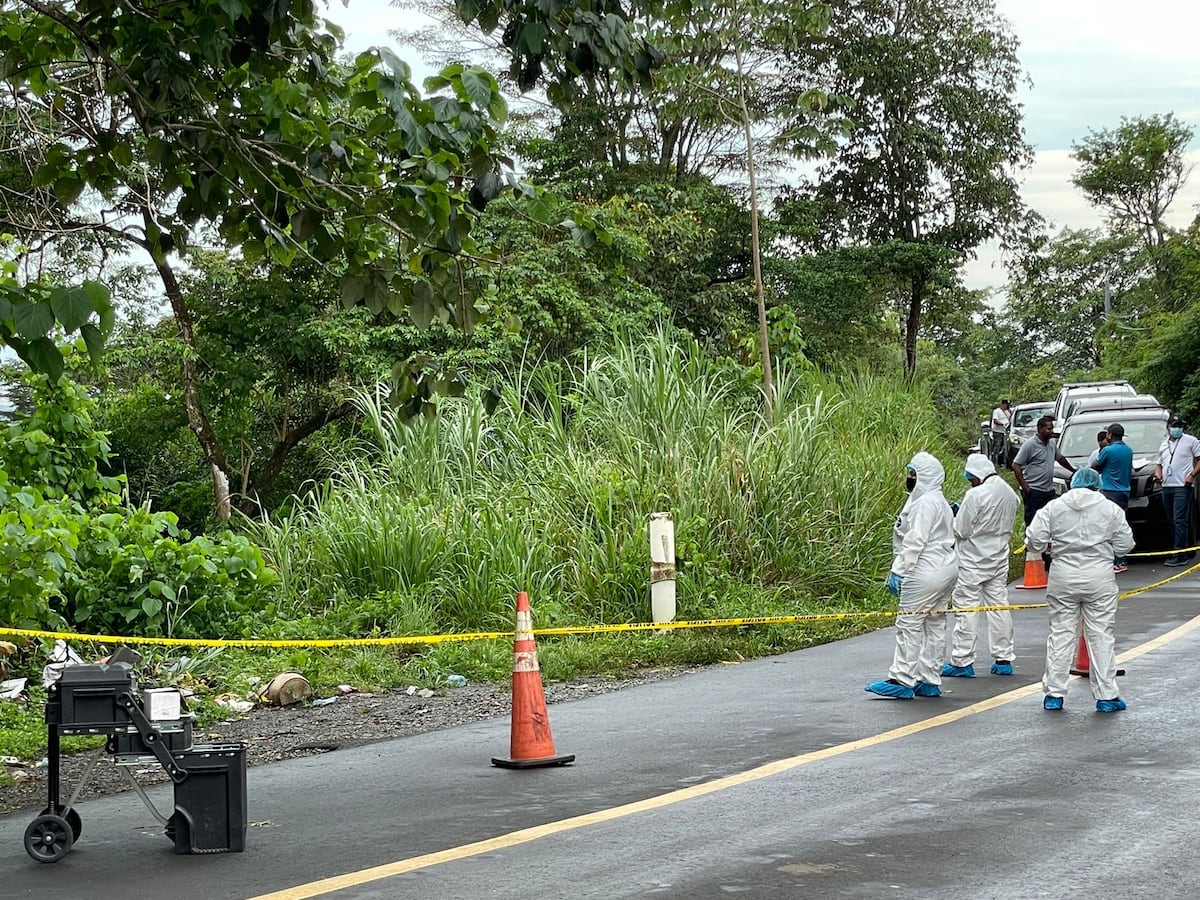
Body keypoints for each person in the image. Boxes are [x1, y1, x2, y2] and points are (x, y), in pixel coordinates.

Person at [1025, 467, 1134, 713]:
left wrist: (1051, 545)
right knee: (1101, 635)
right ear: (1097, 485)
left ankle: (1054, 694)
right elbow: (1125, 544)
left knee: (1061, 635)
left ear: (1073, 483)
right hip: (1099, 577)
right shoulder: (1110, 509)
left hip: (1063, 576)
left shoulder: (1054, 508)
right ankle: (1107, 696)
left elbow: (1034, 540)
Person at [865, 452, 959, 700]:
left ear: (924, 476)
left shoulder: (925, 503)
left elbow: (915, 540)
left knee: (909, 623)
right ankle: (929, 678)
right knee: (934, 623)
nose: (910, 478)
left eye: (913, 474)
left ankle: (902, 678)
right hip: (946, 569)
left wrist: (898, 570)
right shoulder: (937, 500)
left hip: (925, 571)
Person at [942, 454, 1020, 678]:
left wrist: (955, 514)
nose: (971, 483)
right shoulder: (1009, 493)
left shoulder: (975, 495)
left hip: (972, 561)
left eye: (971, 479)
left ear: (977, 476)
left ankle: (962, 660)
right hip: (998, 558)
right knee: (999, 607)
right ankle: (1003, 658)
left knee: (966, 609)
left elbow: (962, 530)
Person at [1012, 415, 1076, 526]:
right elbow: (1016, 465)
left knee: (1049, 520)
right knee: (1032, 521)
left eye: (1052, 428)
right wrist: (1026, 488)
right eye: (1048, 429)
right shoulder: (1030, 445)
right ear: (1040, 428)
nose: (1051, 431)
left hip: (1048, 491)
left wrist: (1073, 471)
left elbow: (1060, 459)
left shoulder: (1051, 444)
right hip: (1034, 490)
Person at [1154, 417, 1200, 567]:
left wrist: (1192, 475)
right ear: (1168, 427)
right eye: (1175, 426)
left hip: (1182, 485)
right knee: (1172, 520)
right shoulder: (1163, 444)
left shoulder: (1191, 441)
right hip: (1167, 485)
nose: (1177, 429)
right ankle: (1182, 549)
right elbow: (1159, 464)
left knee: (1180, 520)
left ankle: (1179, 554)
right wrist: (1158, 475)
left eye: (1180, 426)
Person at [1091, 422, 1134, 574]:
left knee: (1107, 526)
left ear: (1109, 435)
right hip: (1125, 491)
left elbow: (1094, 467)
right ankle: (1121, 559)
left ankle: (1116, 560)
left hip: (1109, 492)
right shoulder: (1128, 450)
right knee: (1120, 524)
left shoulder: (1107, 451)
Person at [990, 399, 1012, 466]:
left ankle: (1002, 462)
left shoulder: (1007, 412)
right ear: (1003, 404)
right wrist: (1002, 424)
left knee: (1004, 448)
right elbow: (995, 420)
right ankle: (994, 462)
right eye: (1006, 405)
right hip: (998, 432)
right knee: (997, 447)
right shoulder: (997, 411)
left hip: (1005, 432)